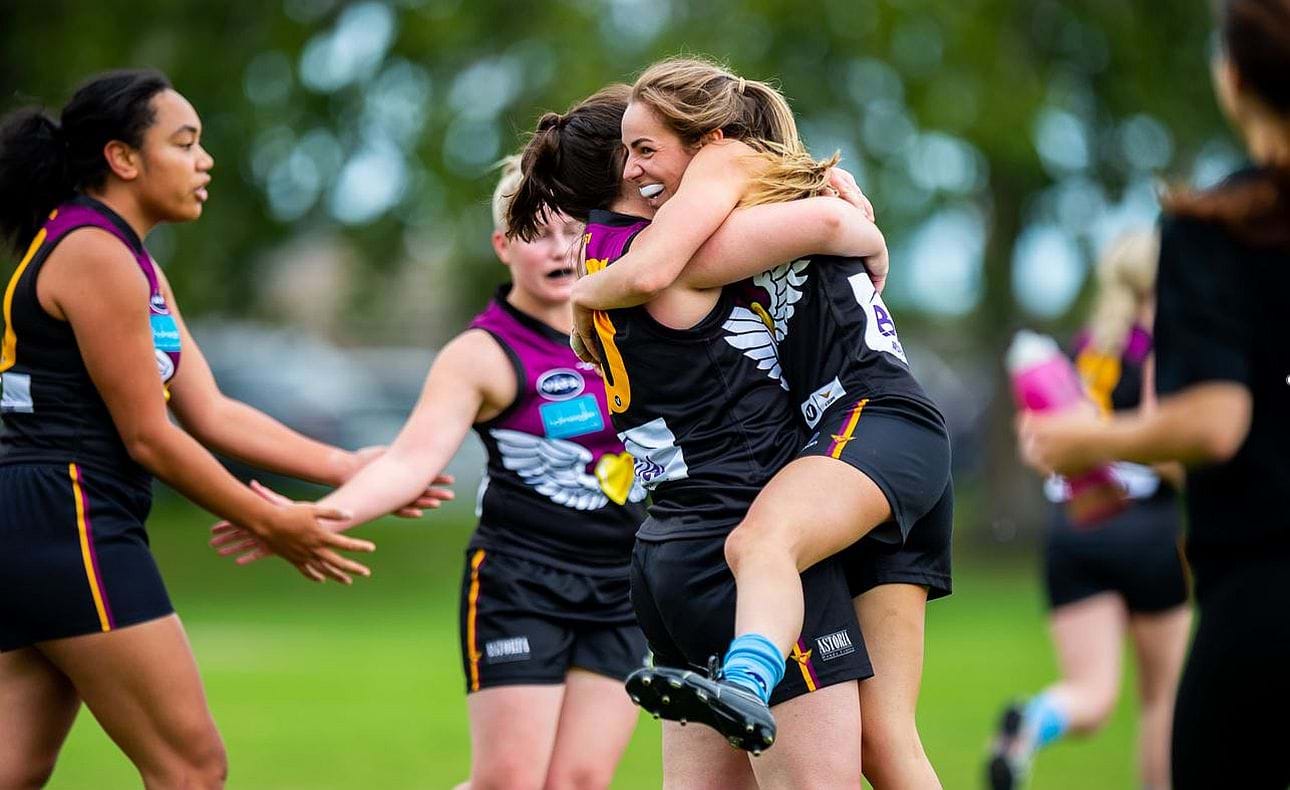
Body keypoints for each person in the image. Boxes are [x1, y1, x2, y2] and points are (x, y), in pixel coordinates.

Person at [0, 70, 417, 788]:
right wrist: (270, 520)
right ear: (122, 159)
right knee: (191, 768)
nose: (205, 161)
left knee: (15, 766)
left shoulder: (126, 259)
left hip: (37, 521)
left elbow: (211, 410)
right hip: (66, 516)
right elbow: (149, 437)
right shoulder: (94, 253)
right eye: (185, 143)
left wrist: (345, 464)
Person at [563, 59, 953, 787]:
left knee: (762, 539)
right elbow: (835, 219)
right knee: (886, 742)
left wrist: (584, 294)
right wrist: (860, 227)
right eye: (627, 153)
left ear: (706, 139)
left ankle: (748, 675)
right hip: (865, 444)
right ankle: (748, 672)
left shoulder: (724, 162)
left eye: (648, 149)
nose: (638, 170)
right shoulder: (756, 194)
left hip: (874, 420)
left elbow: (657, 269)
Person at [212, 155, 649, 790]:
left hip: (622, 587)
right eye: (536, 232)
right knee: (509, 782)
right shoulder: (481, 354)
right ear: (503, 245)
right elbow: (411, 462)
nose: (559, 249)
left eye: (573, 230)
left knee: (580, 781)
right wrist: (314, 516)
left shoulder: (628, 329)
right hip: (521, 582)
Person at [1018, 2, 1290, 785]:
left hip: (1265, 609)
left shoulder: (1219, 225)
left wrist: (1089, 441)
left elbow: (1216, 423)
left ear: (1233, 79)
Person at [989, 230, 1191, 790]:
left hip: (1073, 529)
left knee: (1092, 693)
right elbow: (1168, 448)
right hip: (1146, 525)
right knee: (1161, 700)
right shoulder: (1162, 342)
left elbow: (1038, 444)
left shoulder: (1085, 350)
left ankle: (1033, 721)